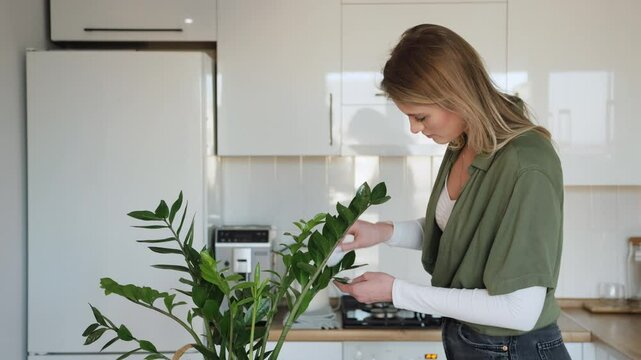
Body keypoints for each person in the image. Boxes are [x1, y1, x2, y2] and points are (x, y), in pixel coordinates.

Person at [333, 24, 570, 359]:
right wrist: (383, 232)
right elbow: (459, 229)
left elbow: (520, 309)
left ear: (454, 95)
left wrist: (396, 291)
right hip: (477, 344)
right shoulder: (465, 142)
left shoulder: (526, 164)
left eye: (420, 116)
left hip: (516, 350)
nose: (414, 128)